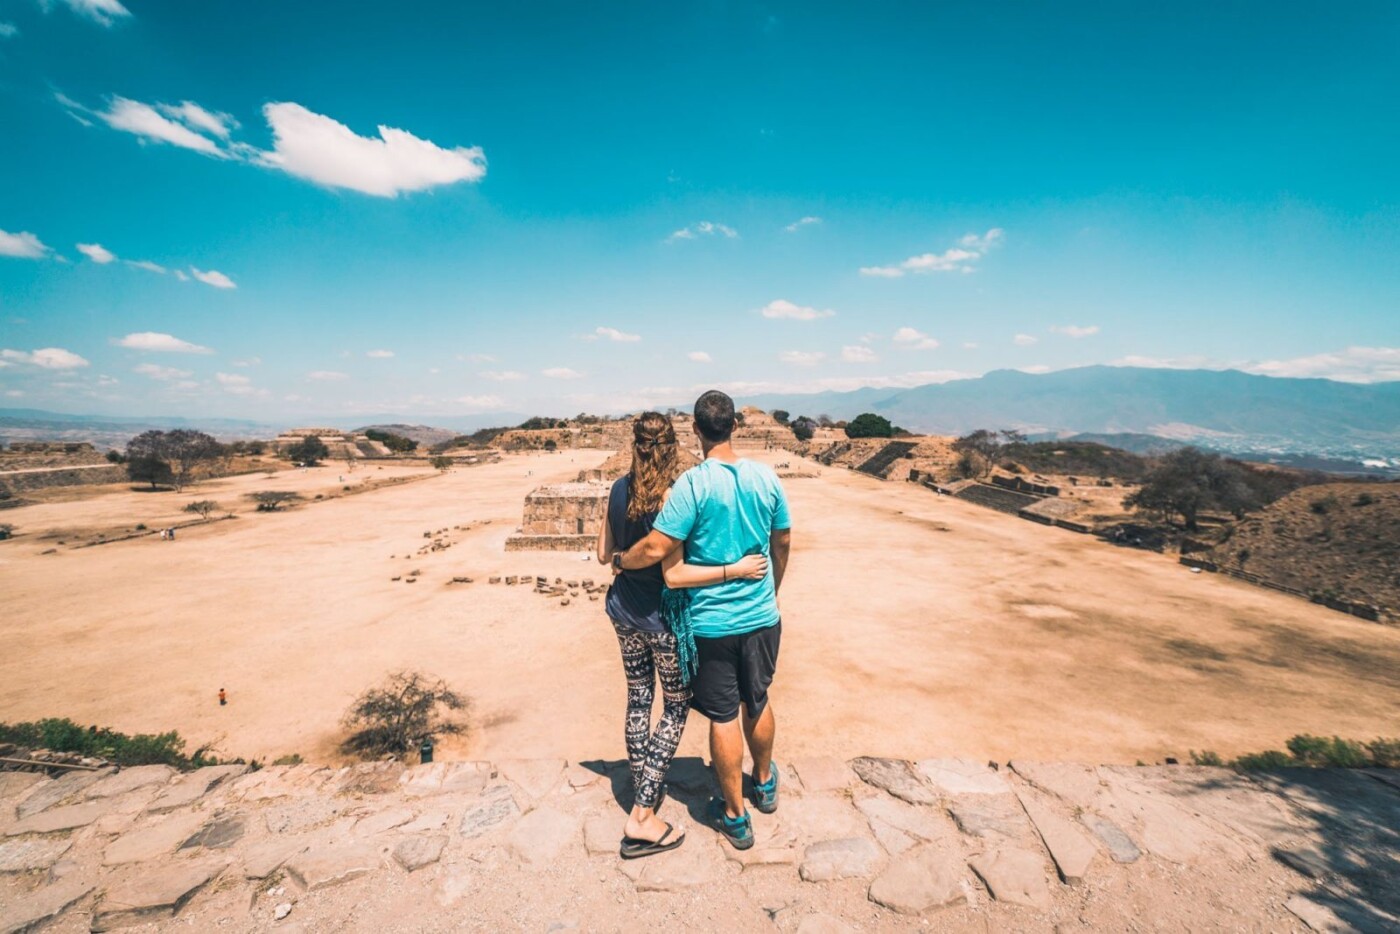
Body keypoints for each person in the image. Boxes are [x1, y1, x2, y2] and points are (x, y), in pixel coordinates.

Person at [619, 391, 791, 850]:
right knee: (758, 699)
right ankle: (766, 781)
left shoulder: (692, 485)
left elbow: (656, 550)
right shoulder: (766, 477)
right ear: (736, 424)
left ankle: (735, 813)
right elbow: (784, 539)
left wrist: (620, 559)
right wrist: (770, 589)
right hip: (761, 614)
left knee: (721, 715)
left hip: (713, 623)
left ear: (695, 430)